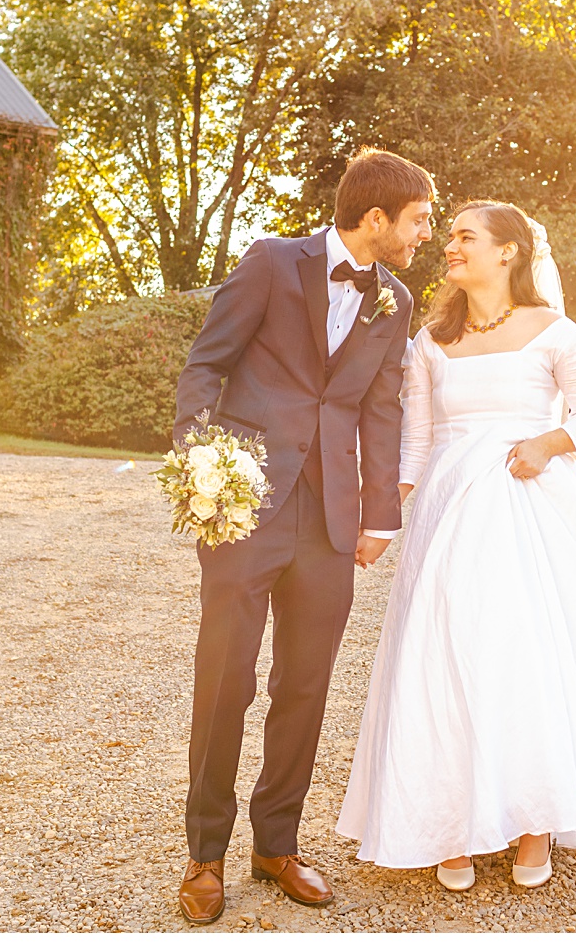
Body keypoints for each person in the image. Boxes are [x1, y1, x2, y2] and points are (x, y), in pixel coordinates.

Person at [336, 200, 576, 891]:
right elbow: (416, 440)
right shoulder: (430, 341)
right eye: (447, 235)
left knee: (526, 656)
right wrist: (384, 517)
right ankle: (450, 821)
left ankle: (535, 822)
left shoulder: (555, 333)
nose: (448, 247)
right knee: (446, 656)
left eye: (464, 237)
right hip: (451, 514)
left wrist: (546, 442)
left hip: (530, 509)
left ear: (508, 251)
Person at [170, 148, 434, 924]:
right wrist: (197, 461)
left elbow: (382, 411)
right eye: (418, 220)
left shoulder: (397, 301)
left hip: (330, 518)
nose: (424, 234)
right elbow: (206, 363)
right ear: (376, 217)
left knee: (305, 684)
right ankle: (205, 853)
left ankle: (275, 844)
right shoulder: (270, 263)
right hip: (244, 502)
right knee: (226, 678)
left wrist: (380, 515)